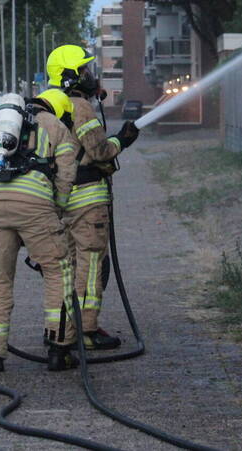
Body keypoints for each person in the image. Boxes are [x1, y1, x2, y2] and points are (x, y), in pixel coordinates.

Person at [0, 88, 79, 372]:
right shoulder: (57, 127)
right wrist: (57, 209)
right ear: (60, 110)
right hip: (35, 204)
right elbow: (67, 175)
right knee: (58, 270)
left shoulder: (6, 126)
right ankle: (59, 349)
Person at [46, 45, 139, 349]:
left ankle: (63, 329)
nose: (90, 75)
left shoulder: (52, 106)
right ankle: (86, 331)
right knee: (91, 267)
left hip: (64, 198)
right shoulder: (79, 105)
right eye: (84, 70)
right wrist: (122, 140)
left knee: (69, 266)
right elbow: (99, 150)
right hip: (88, 200)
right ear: (71, 75)